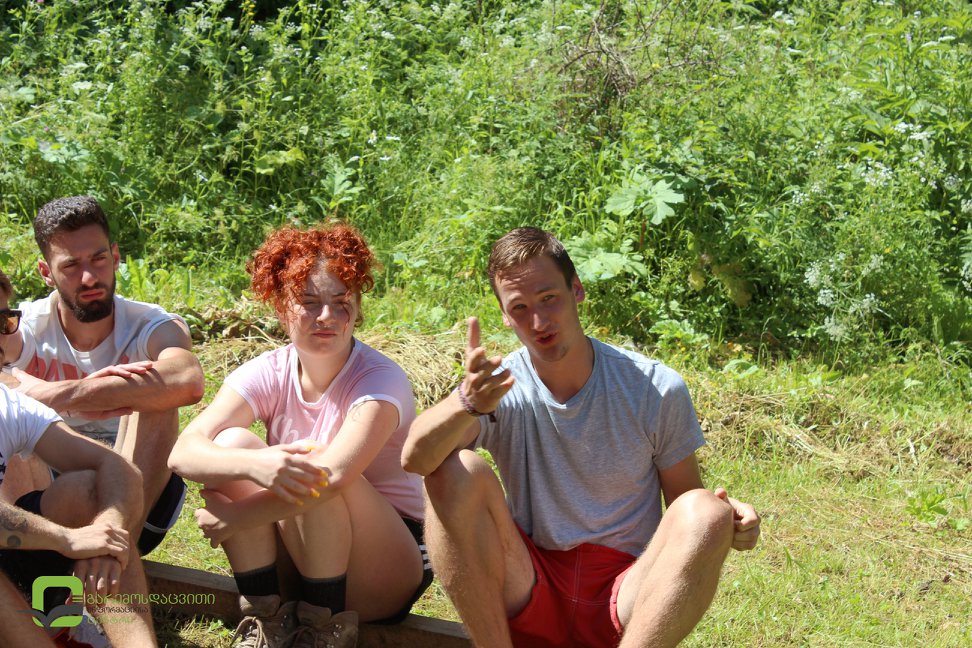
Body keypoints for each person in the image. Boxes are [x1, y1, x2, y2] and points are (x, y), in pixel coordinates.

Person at [401, 227, 762, 648]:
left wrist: (729, 523)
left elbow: (686, 506)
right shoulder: (498, 389)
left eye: (549, 298)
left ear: (577, 290)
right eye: (520, 308)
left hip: (624, 594)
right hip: (530, 584)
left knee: (706, 511)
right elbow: (416, 459)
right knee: (452, 468)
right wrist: (466, 402)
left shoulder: (654, 387)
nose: (539, 322)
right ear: (504, 315)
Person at [168, 223, 432, 648]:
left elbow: (334, 476)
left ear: (357, 309)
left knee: (311, 460)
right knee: (233, 444)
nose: (326, 317)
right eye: (309, 303)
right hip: (302, 555)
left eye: (341, 303)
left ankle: (324, 630)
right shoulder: (269, 370)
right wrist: (256, 464)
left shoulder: (380, 380)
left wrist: (236, 518)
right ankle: (266, 620)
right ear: (280, 307)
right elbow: (184, 451)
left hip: (384, 567)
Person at [0, 196, 205, 556]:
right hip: (45, 498)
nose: (89, 277)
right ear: (46, 272)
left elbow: (187, 379)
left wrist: (59, 394)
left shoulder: (151, 324)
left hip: (137, 497)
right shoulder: (25, 326)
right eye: (71, 265)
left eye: (98, 259)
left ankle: (115, 555)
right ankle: (23, 558)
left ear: (115, 256)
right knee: (8, 415)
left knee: (159, 399)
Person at [1, 268, 157, 647]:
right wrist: (69, 539)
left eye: (3, 321)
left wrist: (106, 533)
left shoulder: (9, 406)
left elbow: (115, 467)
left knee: (90, 491)